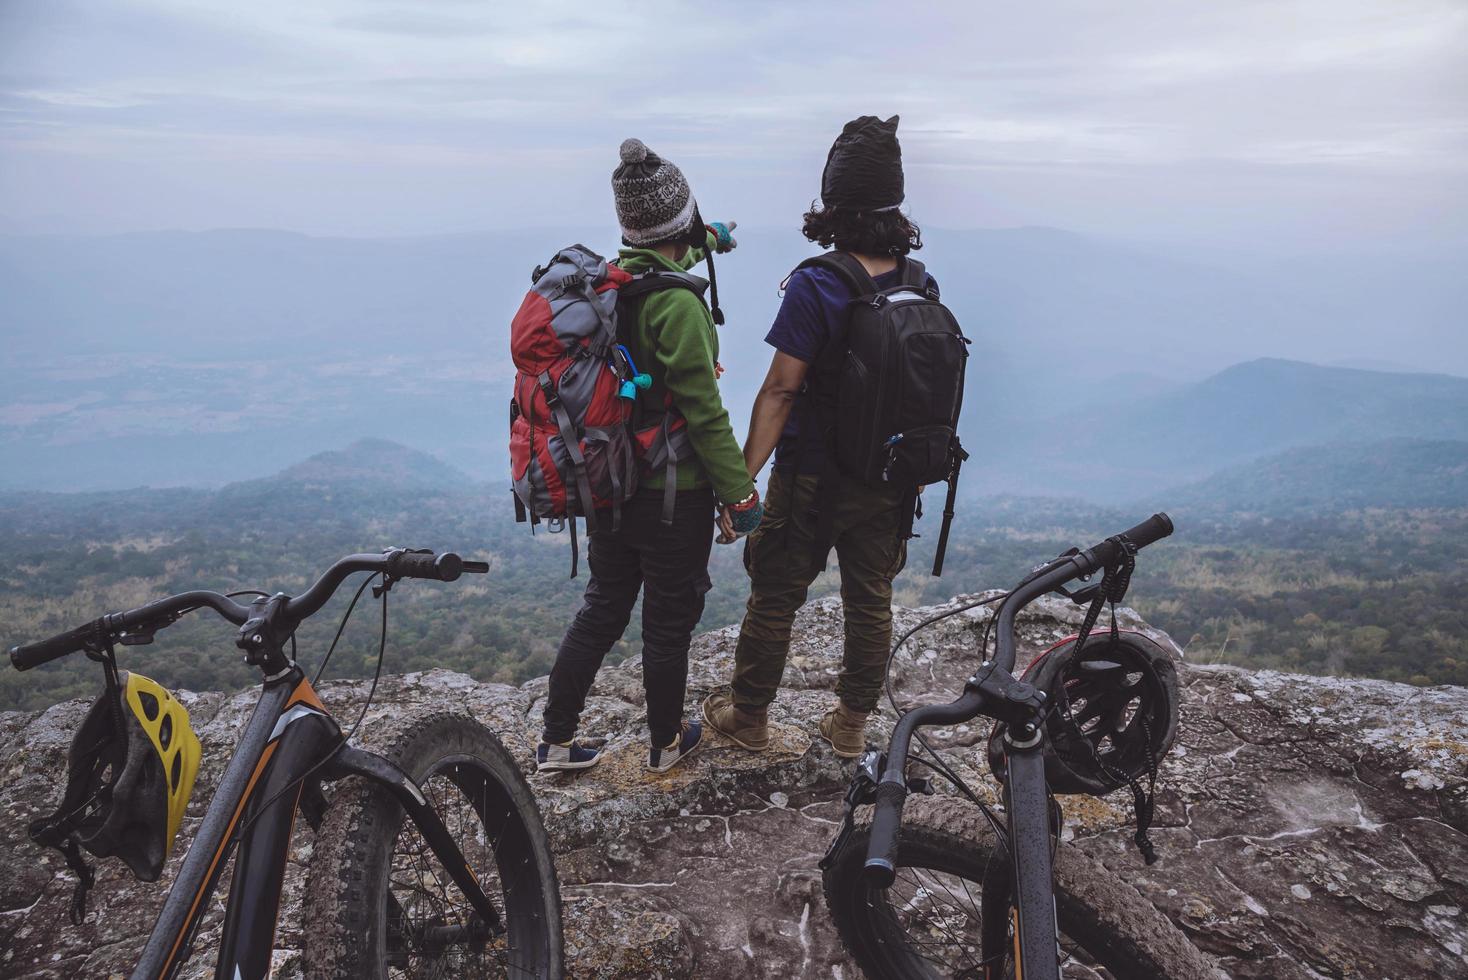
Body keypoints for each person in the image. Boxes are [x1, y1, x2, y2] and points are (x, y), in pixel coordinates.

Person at [704, 115, 936, 758]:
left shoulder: (818, 282)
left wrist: (741, 479)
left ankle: (748, 716)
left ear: (832, 202)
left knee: (776, 590)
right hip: (889, 478)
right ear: (894, 204)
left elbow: (781, 389)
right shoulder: (919, 282)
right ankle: (851, 726)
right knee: (871, 599)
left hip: (810, 473)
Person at [536, 139, 764, 775]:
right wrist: (742, 497)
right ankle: (667, 743)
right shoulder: (679, 306)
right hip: (673, 493)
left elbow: (662, 253)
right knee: (667, 622)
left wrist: (708, 238)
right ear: (680, 217)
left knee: (605, 605)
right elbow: (705, 413)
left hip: (609, 480)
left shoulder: (613, 283)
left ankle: (555, 742)